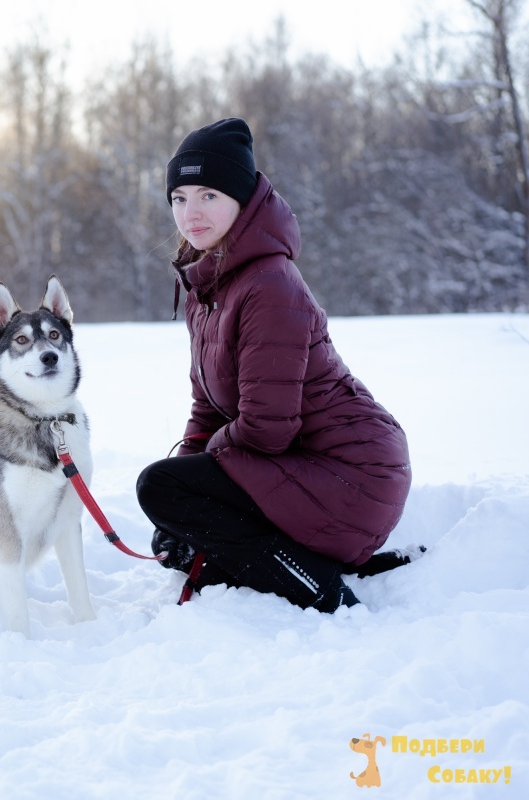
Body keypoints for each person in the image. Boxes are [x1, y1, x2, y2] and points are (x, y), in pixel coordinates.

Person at [136, 118, 415, 612]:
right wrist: (186, 489)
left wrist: (196, 472)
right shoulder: (208, 286)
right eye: (179, 198)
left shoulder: (268, 284)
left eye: (208, 195)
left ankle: (319, 586)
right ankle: (305, 559)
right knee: (177, 526)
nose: (190, 213)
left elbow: (266, 430)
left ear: (242, 200)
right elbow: (208, 406)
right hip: (299, 468)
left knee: (157, 487)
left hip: (353, 474)